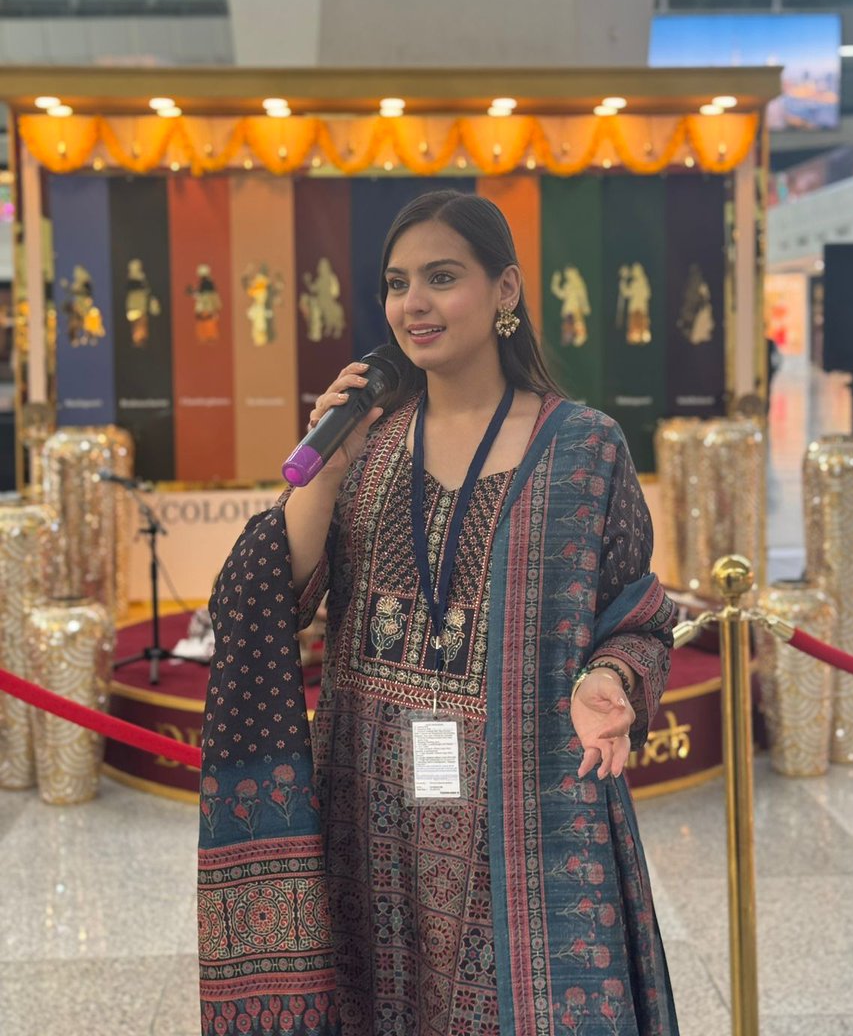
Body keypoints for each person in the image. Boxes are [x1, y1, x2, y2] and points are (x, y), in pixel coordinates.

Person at [199, 190, 679, 1036]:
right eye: (396, 282)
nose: (413, 304)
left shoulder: (584, 447)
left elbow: (637, 614)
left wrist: (610, 678)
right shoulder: (372, 441)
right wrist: (331, 465)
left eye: (442, 277)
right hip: (367, 816)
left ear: (506, 291)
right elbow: (263, 598)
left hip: (527, 815)